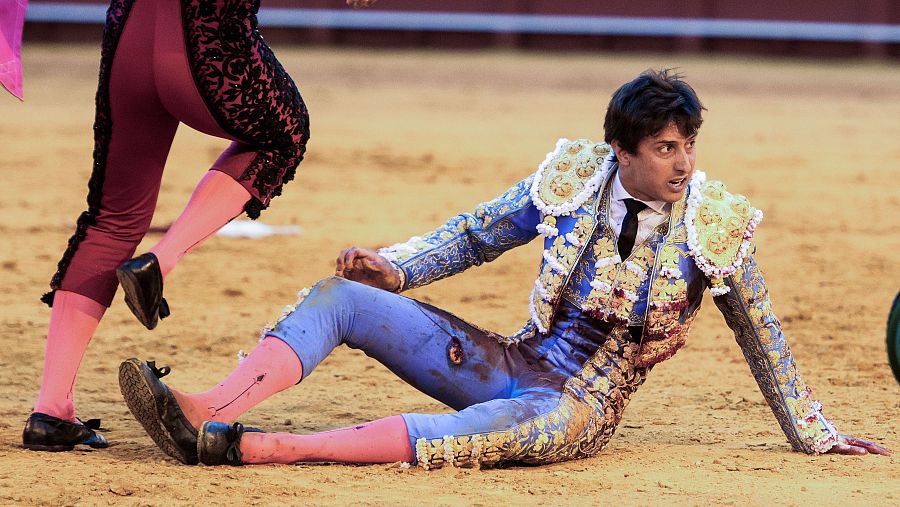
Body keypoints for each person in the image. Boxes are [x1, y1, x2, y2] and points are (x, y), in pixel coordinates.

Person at [119, 69, 890, 467]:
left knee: (479, 433)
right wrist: (393, 268)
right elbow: (475, 234)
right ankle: (202, 411)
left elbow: (764, 334)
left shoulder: (715, 222)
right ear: (623, 150)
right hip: (515, 359)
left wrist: (815, 432)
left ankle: (252, 447)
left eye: (688, 145)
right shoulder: (576, 175)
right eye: (665, 148)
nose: (684, 162)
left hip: (579, 408)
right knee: (341, 295)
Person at [22, 0, 379, 451]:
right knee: (282, 134)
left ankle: (50, 411)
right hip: (204, 32)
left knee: (112, 216)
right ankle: (161, 260)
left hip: (129, 26)